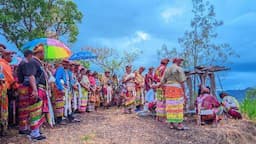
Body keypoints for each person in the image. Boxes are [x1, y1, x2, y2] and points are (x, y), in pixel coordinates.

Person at [17, 44, 47, 140]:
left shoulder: (32, 61)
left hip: (32, 87)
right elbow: (31, 76)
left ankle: (30, 129)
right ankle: (34, 133)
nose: (44, 55)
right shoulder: (33, 62)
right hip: (35, 88)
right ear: (40, 53)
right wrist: (34, 90)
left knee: (30, 110)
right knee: (35, 110)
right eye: (43, 53)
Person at [161, 58, 188, 130]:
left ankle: (171, 124)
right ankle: (179, 124)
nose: (181, 62)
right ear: (177, 61)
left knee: (170, 106)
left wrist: (164, 90)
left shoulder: (167, 69)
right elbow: (182, 81)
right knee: (178, 106)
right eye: (180, 61)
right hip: (177, 89)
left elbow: (162, 81)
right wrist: (184, 93)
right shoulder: (179, 69)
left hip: (168, 89)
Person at [0, 49, 16, 136]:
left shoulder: (5, 64)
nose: (11, 57)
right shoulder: (3, 65)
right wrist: (17, 87)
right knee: (4, 110)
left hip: (4, 89)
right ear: (5, 56)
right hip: (2, 90)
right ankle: (3, 129)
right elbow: (10, 79)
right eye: (10, 56)